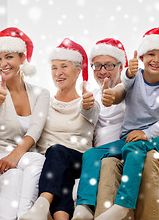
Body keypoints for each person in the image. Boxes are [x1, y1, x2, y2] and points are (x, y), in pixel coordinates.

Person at [74, 24, 159, 220]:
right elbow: (120, 90)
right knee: (92, 154)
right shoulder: (133, 77)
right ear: (141, 57)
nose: (155, 60)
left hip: (157, 138)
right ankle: (84, 206)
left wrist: (147, 133)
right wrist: (109, 97)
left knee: (135, 146)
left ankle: (123, 205)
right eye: (151, 54)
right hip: (130, 139)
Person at [0, 27, 50, 220]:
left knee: (14, 176)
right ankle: (26, 215)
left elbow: (35, 130)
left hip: (15, 161)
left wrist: (14, 156)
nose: (3, 63)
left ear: (22, 58)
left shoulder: (41, 93)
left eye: (9, 57)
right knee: (37, 159)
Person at [19, 38, 100, 220]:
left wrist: (87, 104)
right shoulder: (44, 101)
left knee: (56, 152)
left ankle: (42, 203)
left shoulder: (88, 102)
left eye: (64, 66)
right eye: (54, 68)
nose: (58, 73)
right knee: (60, 170)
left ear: (78, 70)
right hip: (51, 164)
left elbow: (90, 112)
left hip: (79, 160)